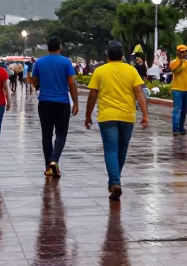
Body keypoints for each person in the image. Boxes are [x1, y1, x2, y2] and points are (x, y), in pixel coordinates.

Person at [85, 41, 150, 201]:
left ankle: (115, 182)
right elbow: (139, 93)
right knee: (122, 149)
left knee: (111, 149)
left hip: (107, 116)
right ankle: (115, 181)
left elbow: (93, 95)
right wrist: (145, 114)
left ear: (107, 55)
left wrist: (88, 115)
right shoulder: (131, 70)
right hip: (127, 116)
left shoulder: (99, 71)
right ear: (122, 56)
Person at [33, 38, 79, 177]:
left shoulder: (39, 62)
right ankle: (54, 160)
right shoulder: (66, 62)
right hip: (62, 102)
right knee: (61, 133)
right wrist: (76, 103)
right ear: (60, 47)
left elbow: (35, 82)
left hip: (45, 102)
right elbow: (71, 83)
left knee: (46, 135)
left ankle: (49, 166)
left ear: (47, 48)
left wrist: (41, 86)